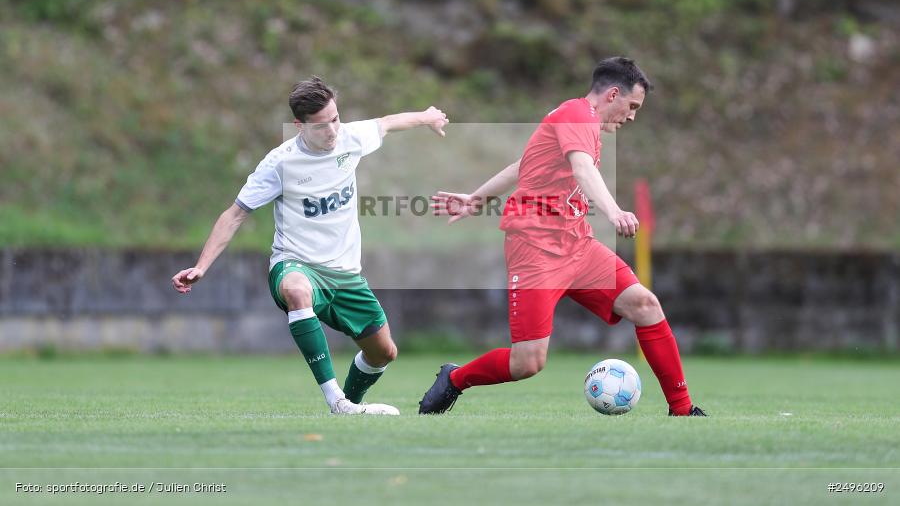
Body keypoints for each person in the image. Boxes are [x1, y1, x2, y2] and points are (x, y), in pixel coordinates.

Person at [420, 57, 705, 416]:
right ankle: (456, 378)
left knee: (645, 305)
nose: (632, 116)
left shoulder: (581, 124)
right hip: (535, 248)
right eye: (632, 107)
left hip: (577, 245)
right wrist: (614, 211)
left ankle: (682, 410)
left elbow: (522, 165)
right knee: (528, 362)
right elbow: (582, 168)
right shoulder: (576, 114)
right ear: (613, 94)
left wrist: (477, 199)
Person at [173, 76, 449, 415]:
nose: (332, 131)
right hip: (297, 263)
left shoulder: (350, 138)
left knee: (383, 353)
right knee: (297, 291)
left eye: (335, 119)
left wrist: (426, 116)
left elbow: (388, 123)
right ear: (299, 126)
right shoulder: (280, 163)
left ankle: (347, 408)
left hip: (345, 274)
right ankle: (335, 400)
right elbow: (234, 215)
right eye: (321, 126)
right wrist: (201, 266)